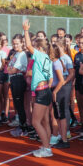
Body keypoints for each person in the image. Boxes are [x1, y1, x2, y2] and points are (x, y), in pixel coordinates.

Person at [22, 20, 55, 157]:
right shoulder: (47, 58)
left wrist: (25, 30)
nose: (32, 49)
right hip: (45, 89)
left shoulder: (40, 55)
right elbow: (50, 78)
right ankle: (46, 145)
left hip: (41, 91)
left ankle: (47, 148)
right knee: (44, 120)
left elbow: (28, 45)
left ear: (39, 48)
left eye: (36, 47)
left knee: (36, 121)